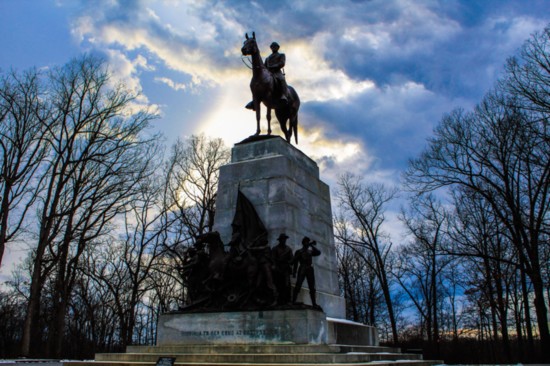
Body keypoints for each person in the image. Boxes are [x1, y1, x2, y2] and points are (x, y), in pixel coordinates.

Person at [292, 236, 321, 309]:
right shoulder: (298, 252)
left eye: (308, 242)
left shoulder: (310, 251)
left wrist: (311, 245)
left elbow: (318, 252)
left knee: (312, 287)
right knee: (298, 285)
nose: (307, 243)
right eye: (306, 242)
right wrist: (294, 272)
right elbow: (295, 263)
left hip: (309, 269)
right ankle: (293, 301)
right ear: (303, 243)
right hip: (302, 268)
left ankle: (314, 303)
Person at [271, 233, 293, 305]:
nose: (284, 240)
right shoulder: (275, 249)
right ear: (280, 240)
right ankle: (276, 300)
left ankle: (288, 300)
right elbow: (272, 259)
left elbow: (291, 259)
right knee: (277, 284)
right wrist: (274, 266)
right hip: (278, 268)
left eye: (285, 239)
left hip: (285, 268)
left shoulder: (288, 249)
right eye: (282, 239)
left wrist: (288, 262)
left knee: (287, 285)